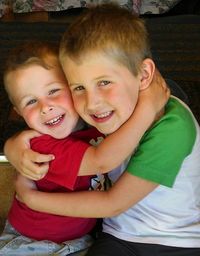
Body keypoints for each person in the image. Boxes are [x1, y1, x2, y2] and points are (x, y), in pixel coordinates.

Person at [6, 3, 200, 256]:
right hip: (117, 233)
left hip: (176, 240)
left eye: (104, 83)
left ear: (143, 76)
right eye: (78, 88)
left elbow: (113, 202)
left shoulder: (173, 128)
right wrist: (14, 146)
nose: (92, 103)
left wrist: (31, 199)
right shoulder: (103, 110)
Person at [0, 39, 167, 256]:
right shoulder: (42, 146)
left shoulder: (93, 122)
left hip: (81, 238)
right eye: (30, 102)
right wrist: (147, 107)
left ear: (74, 86)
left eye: (53, 91)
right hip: (32, 241)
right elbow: (102, 161)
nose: (45, 107)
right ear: (18, 112)